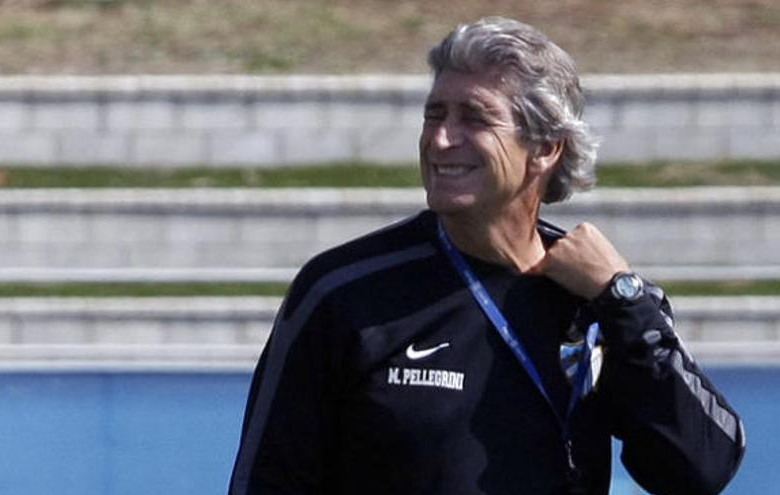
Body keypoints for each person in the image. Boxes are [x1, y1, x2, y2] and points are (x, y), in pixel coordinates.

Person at [229, 16, 745, 495]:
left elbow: (702, 468)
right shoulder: (341, 292)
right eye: (435, 114)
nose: (440, 138)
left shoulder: (602, 301)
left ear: (545, 148)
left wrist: (624, 298)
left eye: (473, 118)